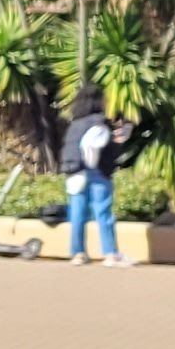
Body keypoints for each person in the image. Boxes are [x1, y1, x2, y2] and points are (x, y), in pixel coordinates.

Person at [65, 100, 132, 265]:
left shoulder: (75, 125)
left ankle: (78, 253)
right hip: (95, 172)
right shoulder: (98, 123)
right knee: (103, 212)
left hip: (75, 173)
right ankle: (110, 254)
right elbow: (90, 145)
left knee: (77, 213)